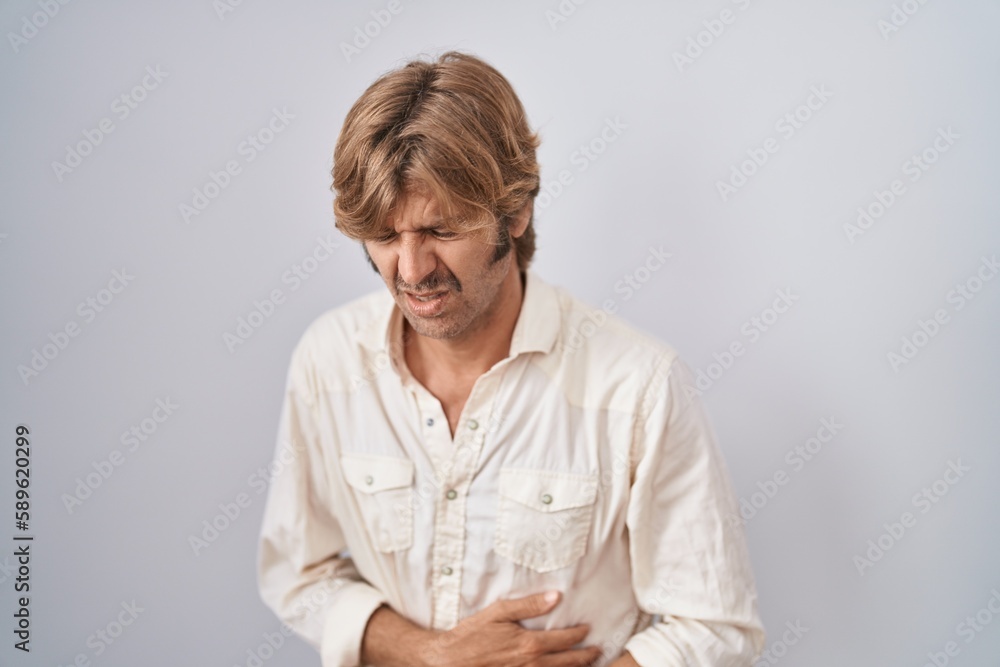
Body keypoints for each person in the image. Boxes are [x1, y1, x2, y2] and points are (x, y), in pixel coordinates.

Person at [257, 50, 765, 667]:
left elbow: (717, 626)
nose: (411, 271)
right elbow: (298, 574)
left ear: (516, 211)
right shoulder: (328, 360)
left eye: (442, 231)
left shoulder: (638, 386)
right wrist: (432, 654)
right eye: (387, 237)